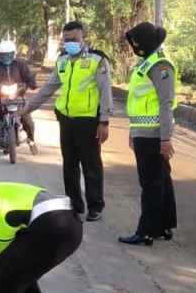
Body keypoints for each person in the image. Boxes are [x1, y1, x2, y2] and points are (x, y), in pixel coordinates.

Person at [22, 21, 112, 222]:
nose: (70, 43)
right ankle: (74, 204)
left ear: (83, 38)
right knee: (69, 164)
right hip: (66, 119)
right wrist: (28, 107)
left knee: (91, 165)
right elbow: (48, 88)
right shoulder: (62, 60)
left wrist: (104, 121)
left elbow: (105, 92)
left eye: (74, 40)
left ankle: (95, 206)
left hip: (88, 120)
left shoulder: (98, 60)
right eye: (67, 40)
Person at [118, 22, 177, 246]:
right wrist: (133, 130)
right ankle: (164, 226)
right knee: (161, 180)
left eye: (135, 40)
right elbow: (138, 102)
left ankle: (146, 231)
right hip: (144, 132)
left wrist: (165, 138)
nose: (133, 44)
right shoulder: (146, 63)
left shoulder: (160, 66)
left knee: (151, 183)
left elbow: (165, 103)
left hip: (154, 135)